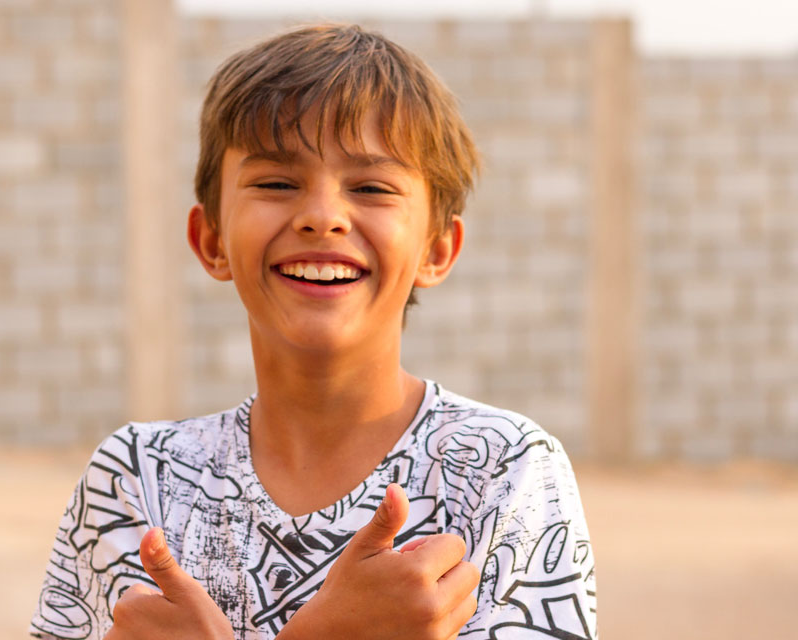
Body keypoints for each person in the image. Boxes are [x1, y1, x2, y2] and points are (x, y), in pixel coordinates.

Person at [29, 23, 597, 640]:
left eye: (372, 187)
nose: (322, 217)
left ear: (437, 249)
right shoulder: (138, 480)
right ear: (211, 239)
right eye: (276, 183)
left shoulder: (501, 472)